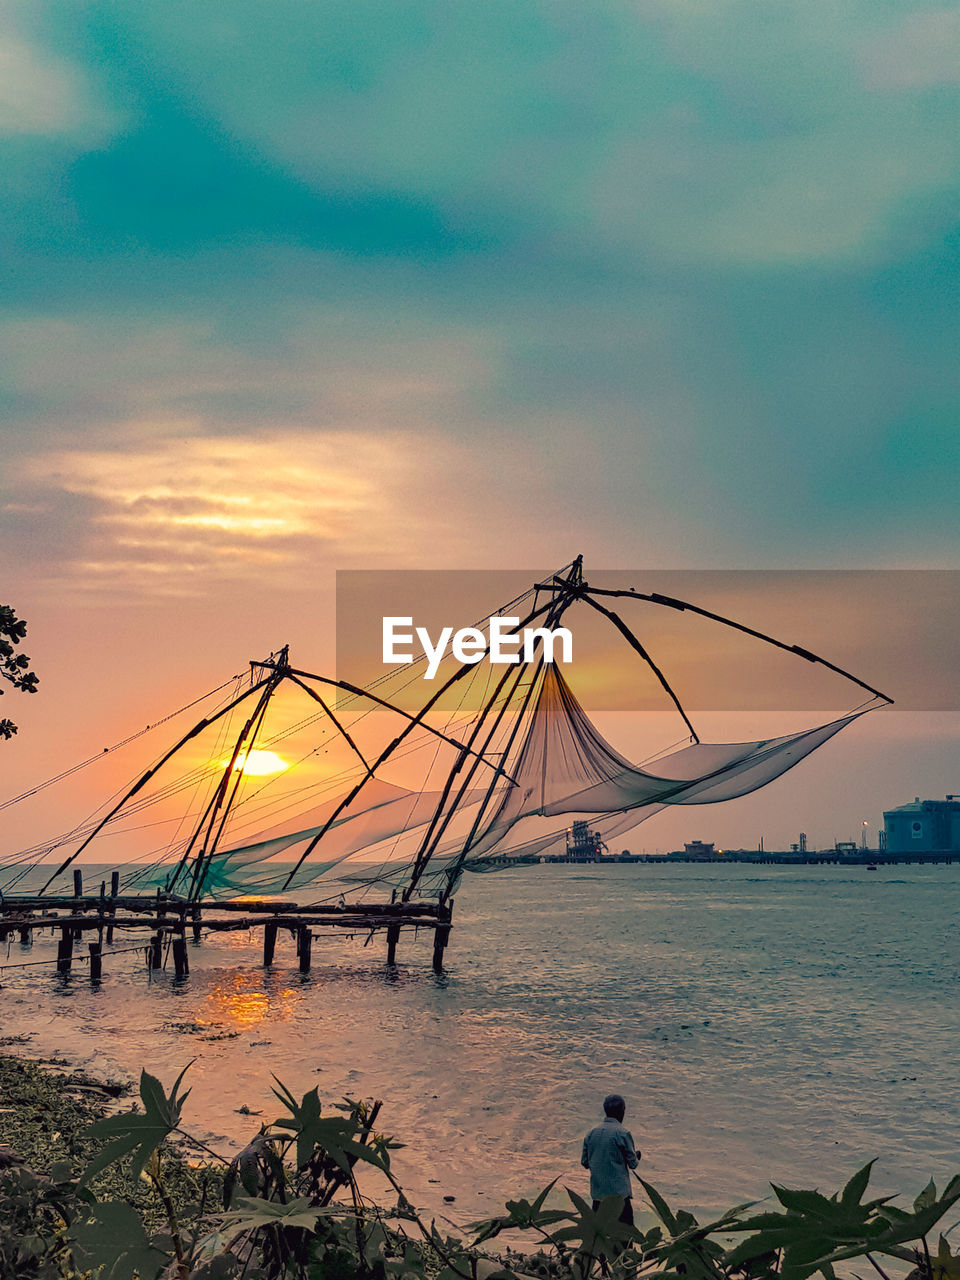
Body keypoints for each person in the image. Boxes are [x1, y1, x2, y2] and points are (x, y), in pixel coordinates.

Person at [580, 1093, 640, 1225]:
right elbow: (633, 1163)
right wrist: (637, 1156)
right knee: (625, 1239)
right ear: (622, 1112)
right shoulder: (623, 1133)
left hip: (598, 1196)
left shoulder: (591, 1133)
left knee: (600, 1239)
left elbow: (584, 1162)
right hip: (619, 1198)